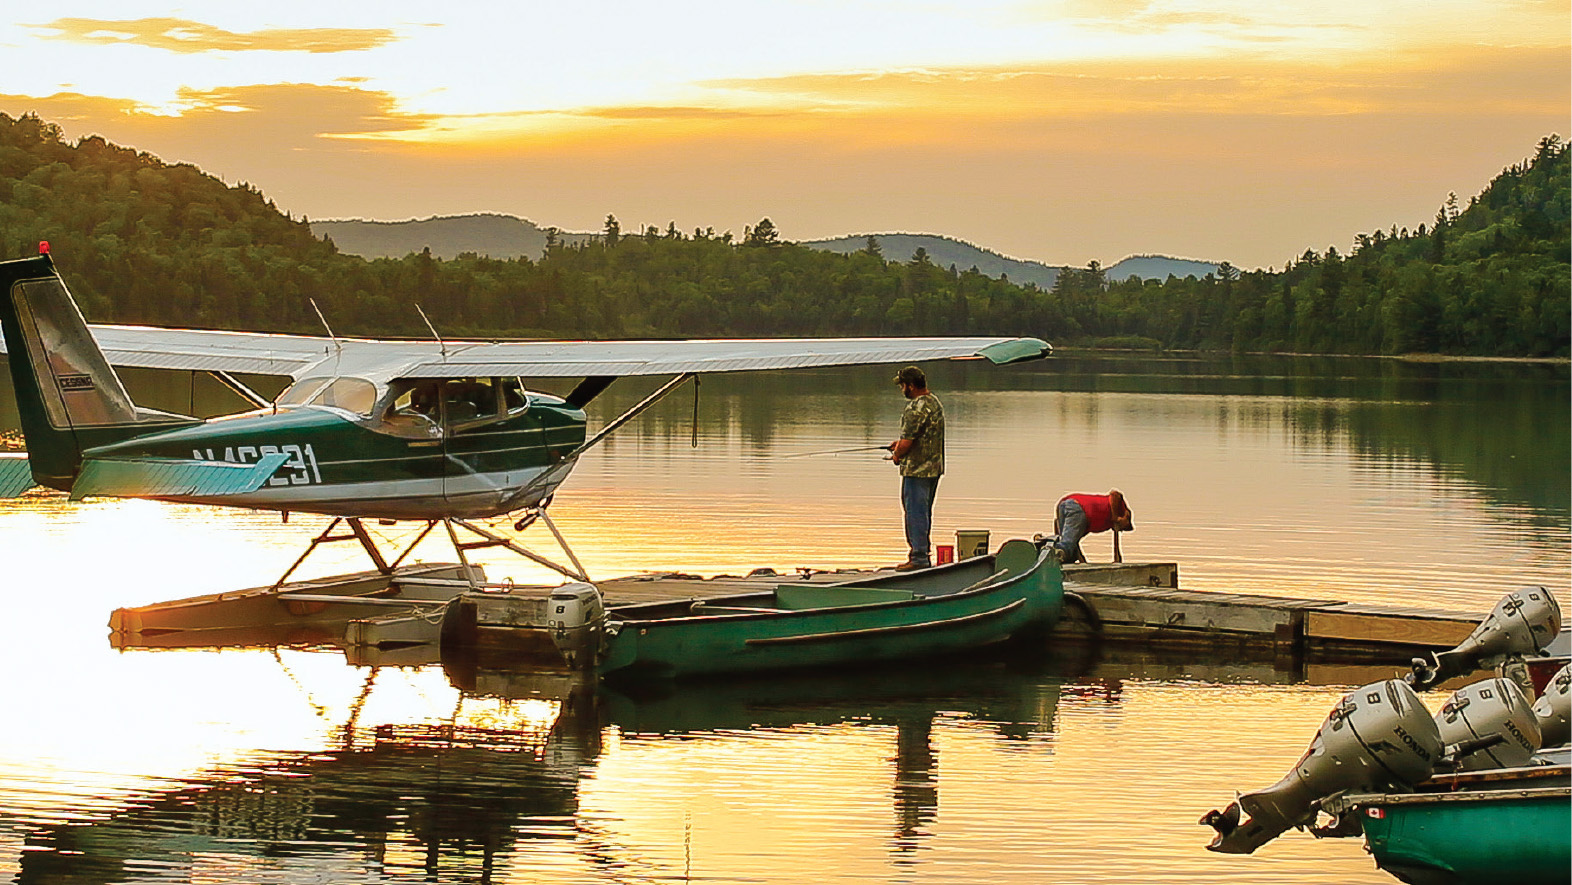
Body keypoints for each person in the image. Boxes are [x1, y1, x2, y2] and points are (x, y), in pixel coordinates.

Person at [887, 366, 945, 570]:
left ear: (910, 386)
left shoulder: (915, 408)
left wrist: (897, 455)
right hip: (933, 469)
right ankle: (922, 555)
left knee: (914, 513)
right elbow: (919, 436)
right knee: (924, 512)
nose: (902, 389)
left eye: (902, 385)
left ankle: (919, 558)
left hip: (916, 471)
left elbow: (907, 442)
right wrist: (900, 444)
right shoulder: (934, 402)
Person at [1053, 490, 1133, 564]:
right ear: (1126, 516)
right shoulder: (1120, 510)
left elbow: (1074, 542)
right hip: (1079, 506)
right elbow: (1115, 494)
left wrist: (1083, 563)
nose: (1121, 531)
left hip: (1065, 504)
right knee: (1066, 546)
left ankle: (1057, 555)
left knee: (1070, 550)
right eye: (1124, 528)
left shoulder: (1094, 523)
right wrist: (1116, 517)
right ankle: (1054, 555)